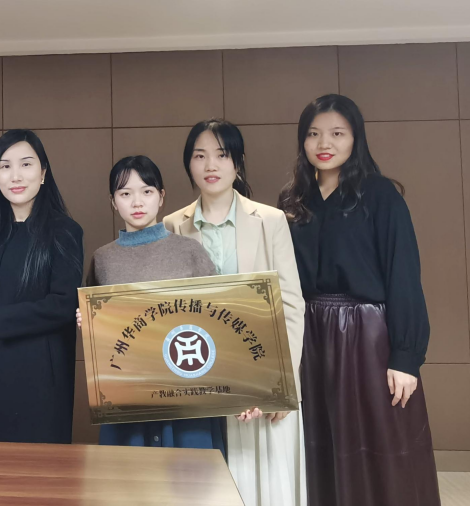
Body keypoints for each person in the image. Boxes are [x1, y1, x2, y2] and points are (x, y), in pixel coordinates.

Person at [278, 94, 440, 506]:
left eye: (337, 133)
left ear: (356, 138)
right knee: (320, 442)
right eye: (313, 134)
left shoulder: (380, 195)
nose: (323, 143)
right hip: (310, 337)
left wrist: (406, 356)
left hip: (367, 335)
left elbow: (403, 274)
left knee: (379, 443)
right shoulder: (293, 202)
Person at [164, 119, 306, 506]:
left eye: (222, 155)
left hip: (263, 374)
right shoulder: (173, 225)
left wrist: (283, 387)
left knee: (267, 483)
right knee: (212, 485)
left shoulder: (270, 221)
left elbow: (291, 304)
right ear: (188, 164)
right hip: (203, 377)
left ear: (237, 163)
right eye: (200, 156)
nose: (211, 165)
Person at [79, 155, 223, 451]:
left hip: (186, 393)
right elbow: (100, 337)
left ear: (161, 196)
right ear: (113, 202)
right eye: (125, 194)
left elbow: (218, 322)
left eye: (146, 191)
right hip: (128, 396)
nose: (137, 202)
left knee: (190, 476)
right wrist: (89, 323)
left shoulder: (189, 251)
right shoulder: (103, 259)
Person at [0, 129, 83, 444]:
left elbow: (63, 304)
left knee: (31, 467)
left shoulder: (64, 231)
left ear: (43, 173)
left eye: (26, 164)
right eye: (5, 166)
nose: (15, 176)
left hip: (37, 375)